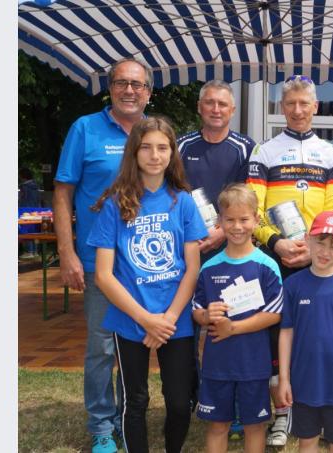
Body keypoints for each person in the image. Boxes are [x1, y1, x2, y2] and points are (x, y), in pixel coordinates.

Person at [87, 117, 208, 453]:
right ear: (134, 152)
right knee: (135, 400)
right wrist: (146, 319)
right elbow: (103, 275)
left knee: (180, 403)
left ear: (172, 153)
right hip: (131, 319)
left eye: (163, 147)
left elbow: (192, 268)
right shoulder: (115, 203)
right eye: (147, 147)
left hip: (176, 320)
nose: (155, 155)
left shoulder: (182, 201)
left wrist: (166, 319)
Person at [53, 58, 152, 453]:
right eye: (121, 83)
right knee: (101, 348)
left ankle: (129, 418)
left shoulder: (153, 132)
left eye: (137, 85)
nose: (130, 91)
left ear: (147, 92)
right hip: (98, 262)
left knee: (135, 344)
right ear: (110, 88)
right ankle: (101, 426)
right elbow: (63, 193)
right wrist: (66, 252)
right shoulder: (85, 129)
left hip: (145, 264)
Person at [246, 74, 333, 447]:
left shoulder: (332, 154)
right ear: (281, 108)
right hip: (277, 258)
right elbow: (252, 210)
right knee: (278, 337)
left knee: (316, 337)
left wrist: (313, 246)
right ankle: (282, 414)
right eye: (291, 104)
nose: (298, 110)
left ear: (315, 107)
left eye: (305, 103)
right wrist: (276, 243)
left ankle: (326, 409)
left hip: (319, 257)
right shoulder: (265, 152)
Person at [190, 183, 283, 453]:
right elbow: (196, 309)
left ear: (256, 220)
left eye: (244, 219)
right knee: (218, 425)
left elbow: (275, 313)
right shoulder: (209, 267)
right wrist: (206, 315)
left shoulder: (266, 266)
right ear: (219, 222)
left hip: (253, 364)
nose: (237, 226)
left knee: (255, 426)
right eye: (229, 220)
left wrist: (233, 328)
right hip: (217, 365)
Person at [277, 211, 333, 453]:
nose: (325, 251)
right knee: (306, 440)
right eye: (320, 242)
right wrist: (285, 379)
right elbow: (286, 334)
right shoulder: (293, 285)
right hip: (302, 381)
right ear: (307, 239)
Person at [179, 80, 257, 263]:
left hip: (232, 244)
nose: (216, 109)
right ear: (199, 107)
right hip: (189, 242)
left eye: (222, 104)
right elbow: (172, 194)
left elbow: (252, 199)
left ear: (232, 110)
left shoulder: (247, 148)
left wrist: (222, 232)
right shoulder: (180, 146)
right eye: (209, 102)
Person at [19, 167, 42, 260]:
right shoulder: (36, 186)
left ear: (23, 176)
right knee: (35, 231)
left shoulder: (24, 187)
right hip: (36, 211)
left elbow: (22, 200)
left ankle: (29, 251)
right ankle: (36, 252)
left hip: (25, 211)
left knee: (26, 231)